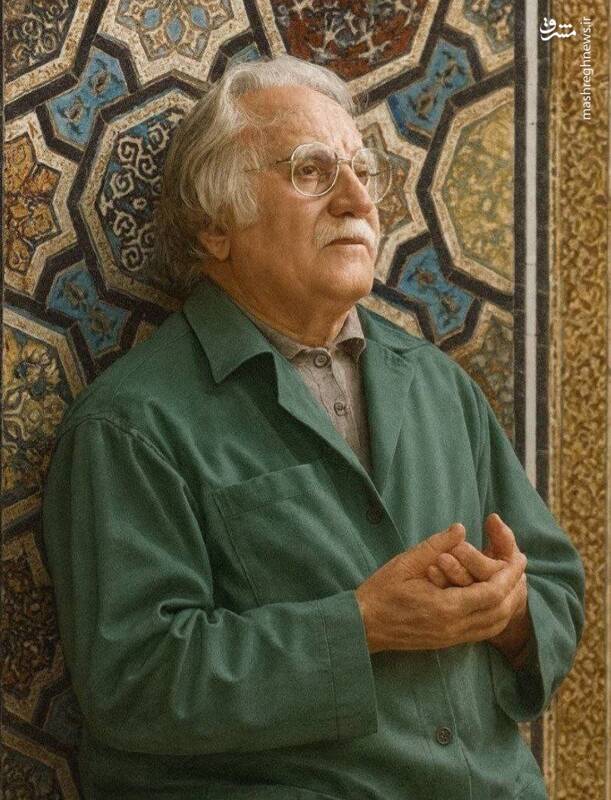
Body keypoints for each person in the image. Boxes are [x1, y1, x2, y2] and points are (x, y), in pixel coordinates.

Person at [42, 55, 584, 800]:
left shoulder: (438, 384)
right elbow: (133, 682)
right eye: (311, 171)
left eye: (362, 170)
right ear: (215, 226)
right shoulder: (130, 425)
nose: (357, 199)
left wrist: (513, 612)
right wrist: (362, 626)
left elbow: (555, 585)